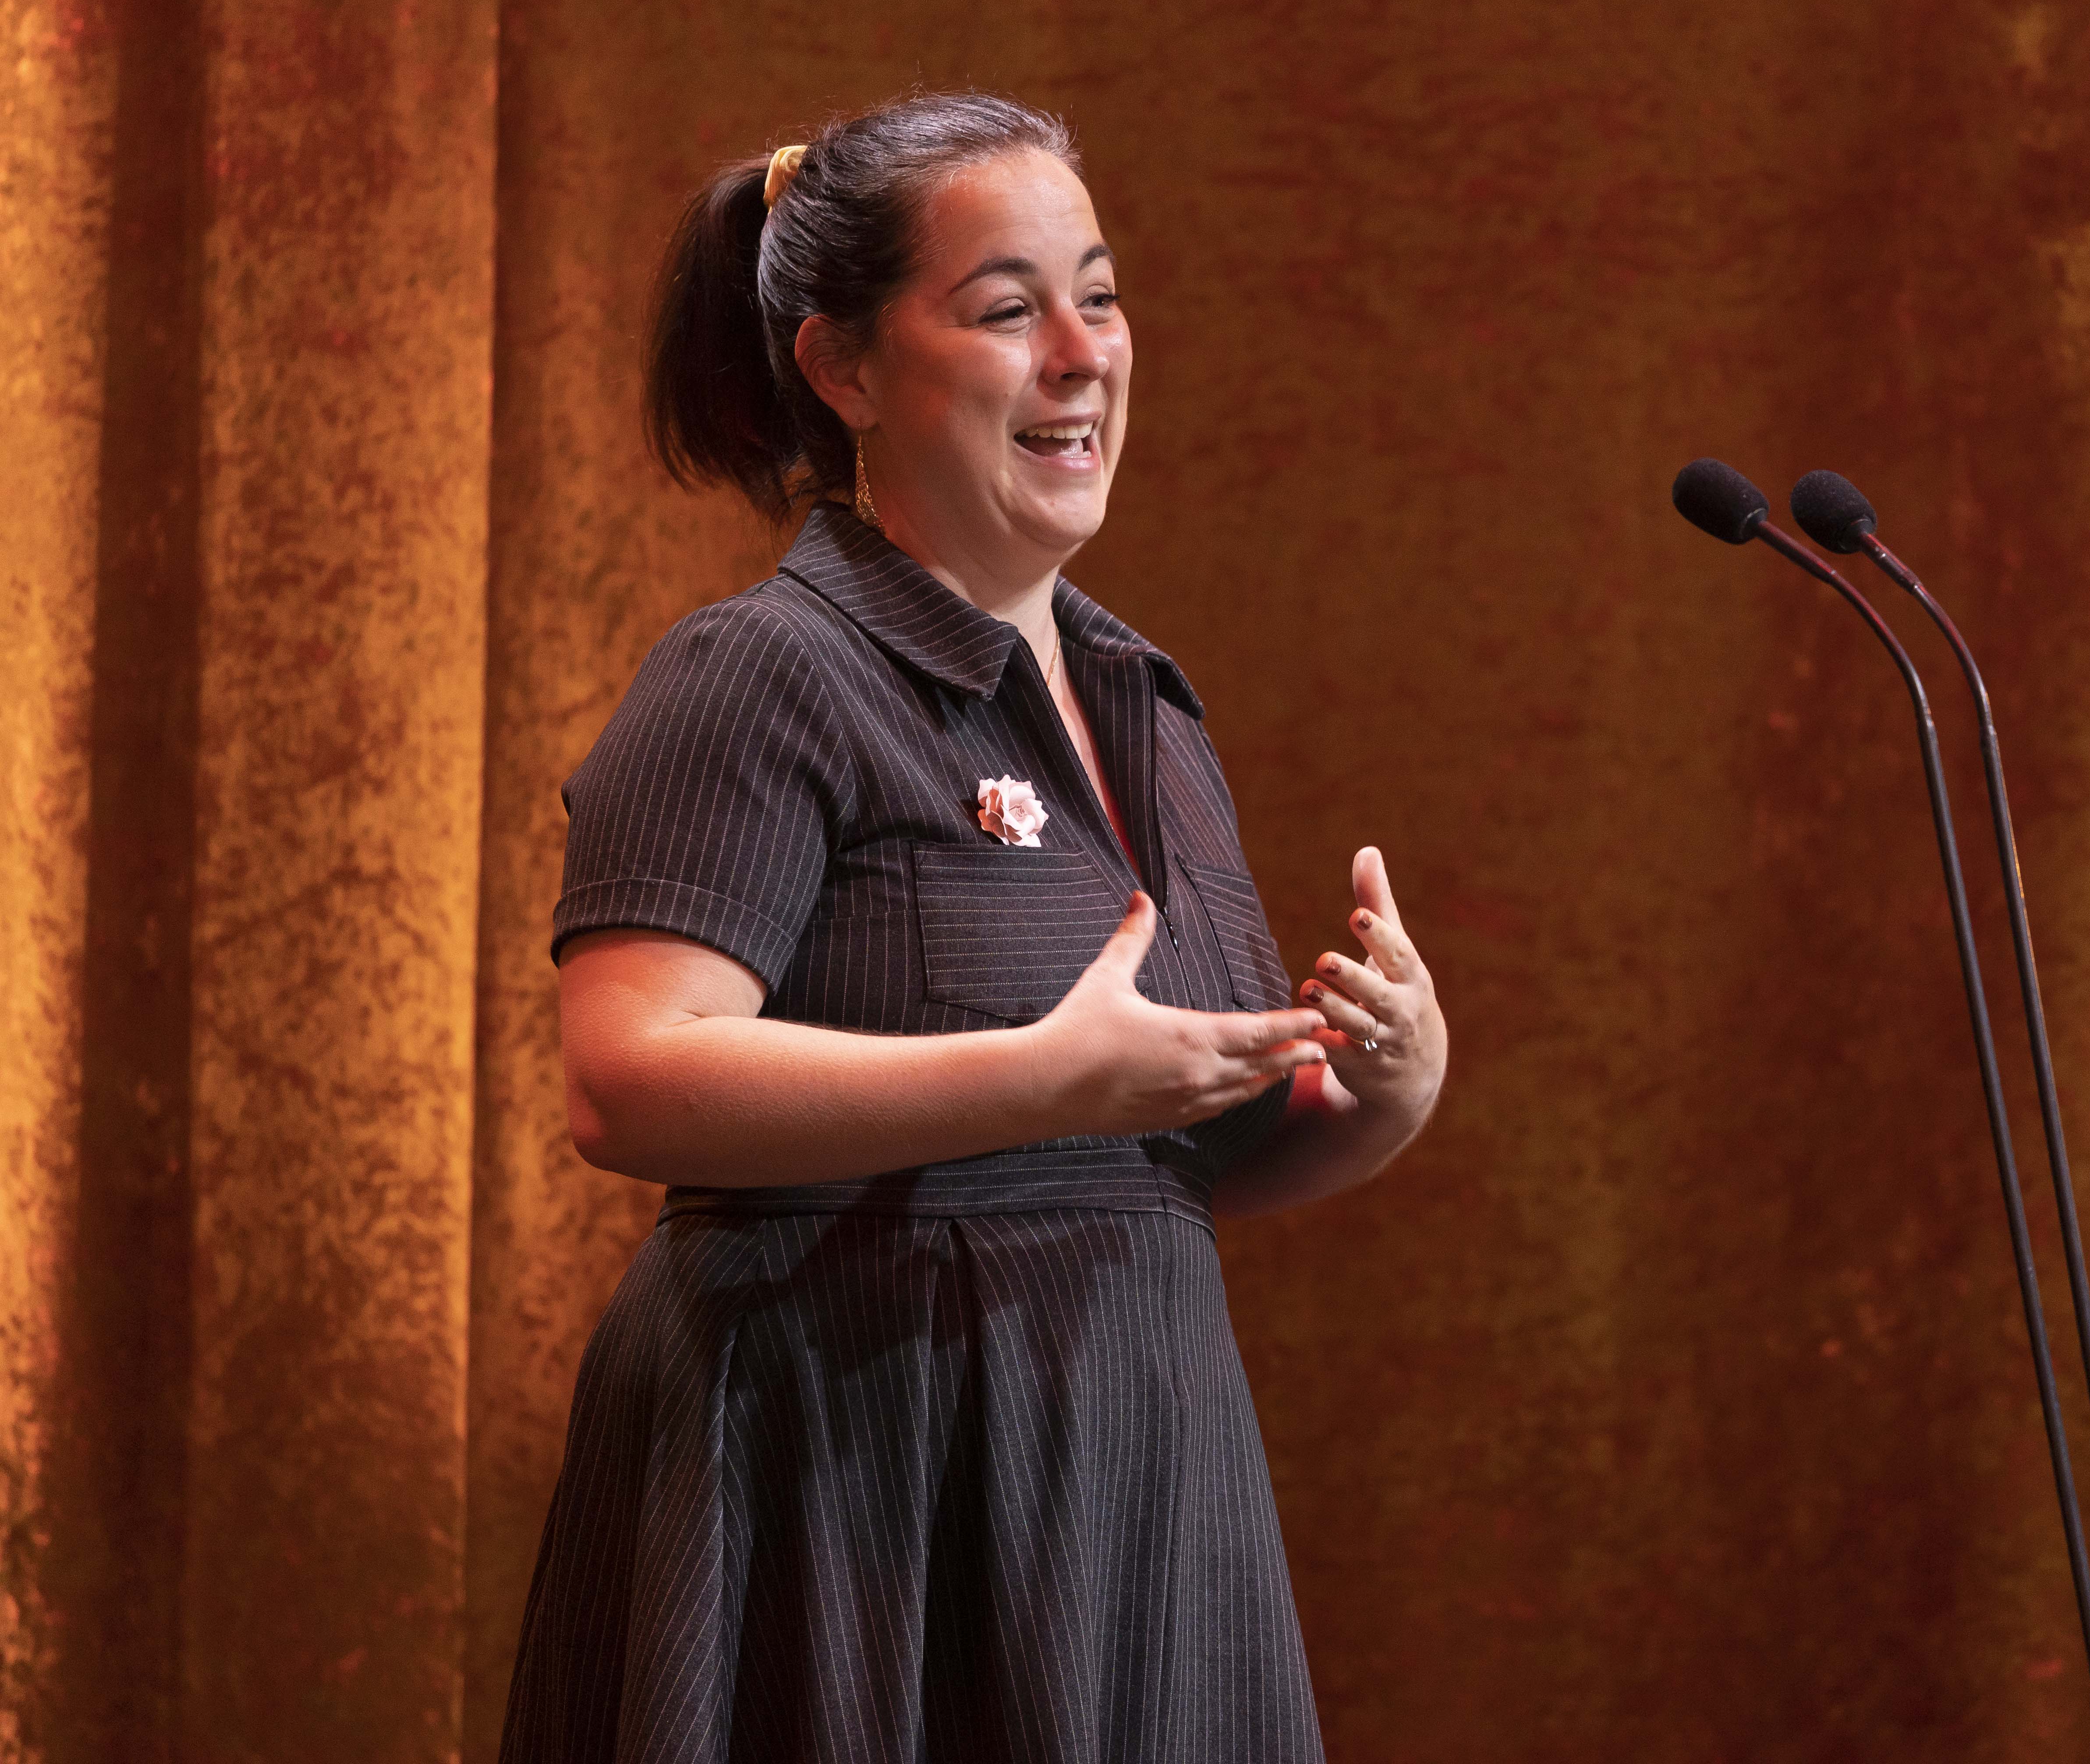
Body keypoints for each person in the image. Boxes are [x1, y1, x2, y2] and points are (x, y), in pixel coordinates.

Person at [499, 91, 1446, 1764]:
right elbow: (624, 1078)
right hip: (848, 1482)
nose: (1083, 356)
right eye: (1010, 311)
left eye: (1102, 296)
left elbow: (1170, 1153)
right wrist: (1034, 1079)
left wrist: (1381, 1094)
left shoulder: (1146, 705)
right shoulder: (760, 673)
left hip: (1135, 1476)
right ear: (844, 369)